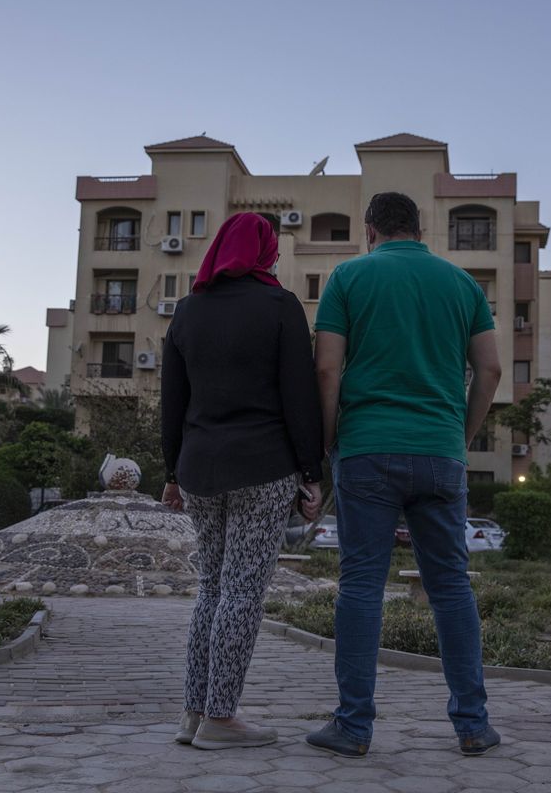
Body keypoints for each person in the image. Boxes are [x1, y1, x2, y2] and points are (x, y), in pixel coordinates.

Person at [306, 192, 503, 758]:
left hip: (367, 449)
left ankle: (353, 727)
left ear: (370, 230)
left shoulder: (348, 277)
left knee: (362, 585)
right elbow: (488, 369)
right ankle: (473, 724)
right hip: (441, 452)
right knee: (450, 587)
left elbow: (326, 367)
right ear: (421, 229)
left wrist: (327, 441)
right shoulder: (463, 285)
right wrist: (458, 441)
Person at [161, 212, 323, 750]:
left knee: (210, 587)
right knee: (243, 593)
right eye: (271, 249)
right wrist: (312, 473)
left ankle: (193, 712)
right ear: (261, 251)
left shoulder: (186, 311)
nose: (275, 257)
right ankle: (222, 717)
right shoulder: (280, 306)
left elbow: (173, 404)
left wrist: (170, 472)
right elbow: (300, 397)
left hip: (200, 467)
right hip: (264, 467)